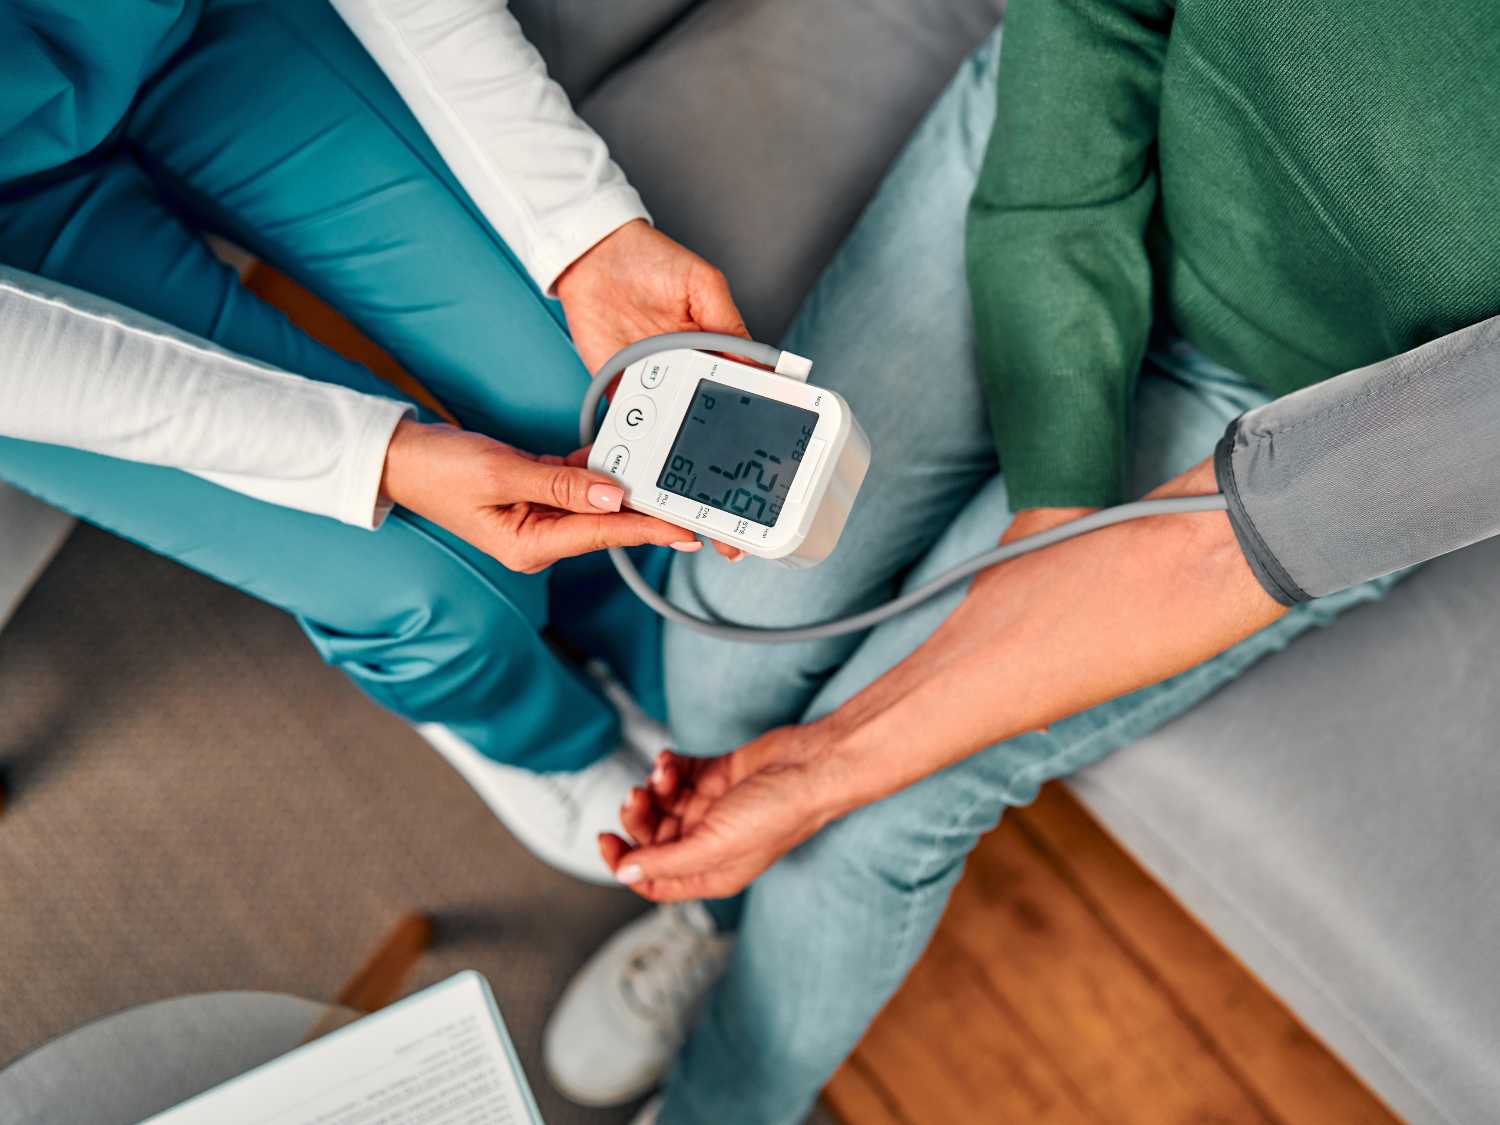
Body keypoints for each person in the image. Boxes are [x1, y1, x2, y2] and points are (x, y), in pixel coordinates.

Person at [542, 2, 1500, 1122]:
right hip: (1088, 137)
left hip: (1323, 404)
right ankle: (721, 915)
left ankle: (722, 1102)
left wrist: (835, 766)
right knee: (732, 631)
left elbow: (1258, 527)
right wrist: (1062, 465)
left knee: (873, 829)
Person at [0, 0, 751, 882]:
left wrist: (586, 232)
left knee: (587, 402)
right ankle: (543, 740)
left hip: (196, 24)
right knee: (434, 594)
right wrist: (371, 456)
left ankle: (648, 636)